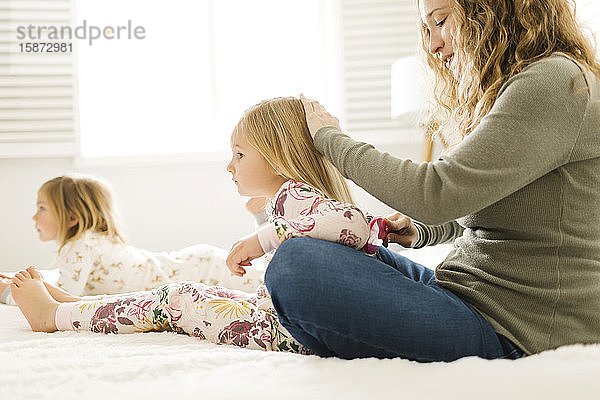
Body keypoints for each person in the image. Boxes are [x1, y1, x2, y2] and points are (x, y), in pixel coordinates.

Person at [262, 0, 600, 362]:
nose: (434, 43)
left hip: (513, 328)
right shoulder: (527, 84)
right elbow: (478, 203)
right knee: (319, 251)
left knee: (297, 266)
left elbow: (435, 192)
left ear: (492, 10)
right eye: (428, 29)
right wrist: (420, 230)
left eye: (440, 21)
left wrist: (330, 139)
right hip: (465, 294)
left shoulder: (557, 82)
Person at [8, 97, 390, 353]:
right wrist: (266, 225)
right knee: (179, 294)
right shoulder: (293, 198)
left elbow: (350, 222)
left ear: (278, 159)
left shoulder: (300, 195)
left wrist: (262, 236)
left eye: (239, 154)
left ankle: (54, 317)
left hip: (288, 330)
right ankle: (82, 309)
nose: (230, 165)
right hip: (281, 315)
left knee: (180, 299)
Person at [0, 174, 264, 306]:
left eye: (42, 208)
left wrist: (11, 293)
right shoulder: (88, 243)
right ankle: (266, 221)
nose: (34, 216)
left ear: (71, 218)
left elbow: (65, 296)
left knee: (269, 288)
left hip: (203, 271)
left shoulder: (81, 245)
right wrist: (16, 278)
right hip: (196, 264)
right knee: (267, 277)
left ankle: (266, 220)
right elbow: (62, 278)